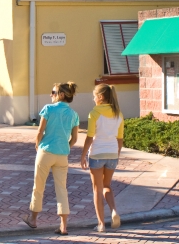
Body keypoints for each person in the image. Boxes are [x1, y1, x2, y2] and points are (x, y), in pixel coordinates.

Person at [23, 82, 79, 236]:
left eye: (53, 92)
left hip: (46, 151)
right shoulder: (74, 114)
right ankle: (63, 226)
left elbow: (40, 131)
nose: (51, 95)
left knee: (38, 185)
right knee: (61, 188)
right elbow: (74, 139)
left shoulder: (48, 109)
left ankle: (33, 220)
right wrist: (65, 146)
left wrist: (37, 144)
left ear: (61, 94)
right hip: (62, 155)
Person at [80, 84, 124, 233]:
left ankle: (101, 224)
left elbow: (90, 137)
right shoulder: (118, 113)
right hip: (112, 154)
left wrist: (83, 155)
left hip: (97, 153)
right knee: (107, 186)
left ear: (100, 97)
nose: (93, 98)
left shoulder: (94, 113)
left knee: (97, 189)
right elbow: (120, 139)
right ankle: (114, 211)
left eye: (94, 96)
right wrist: (116, 155)